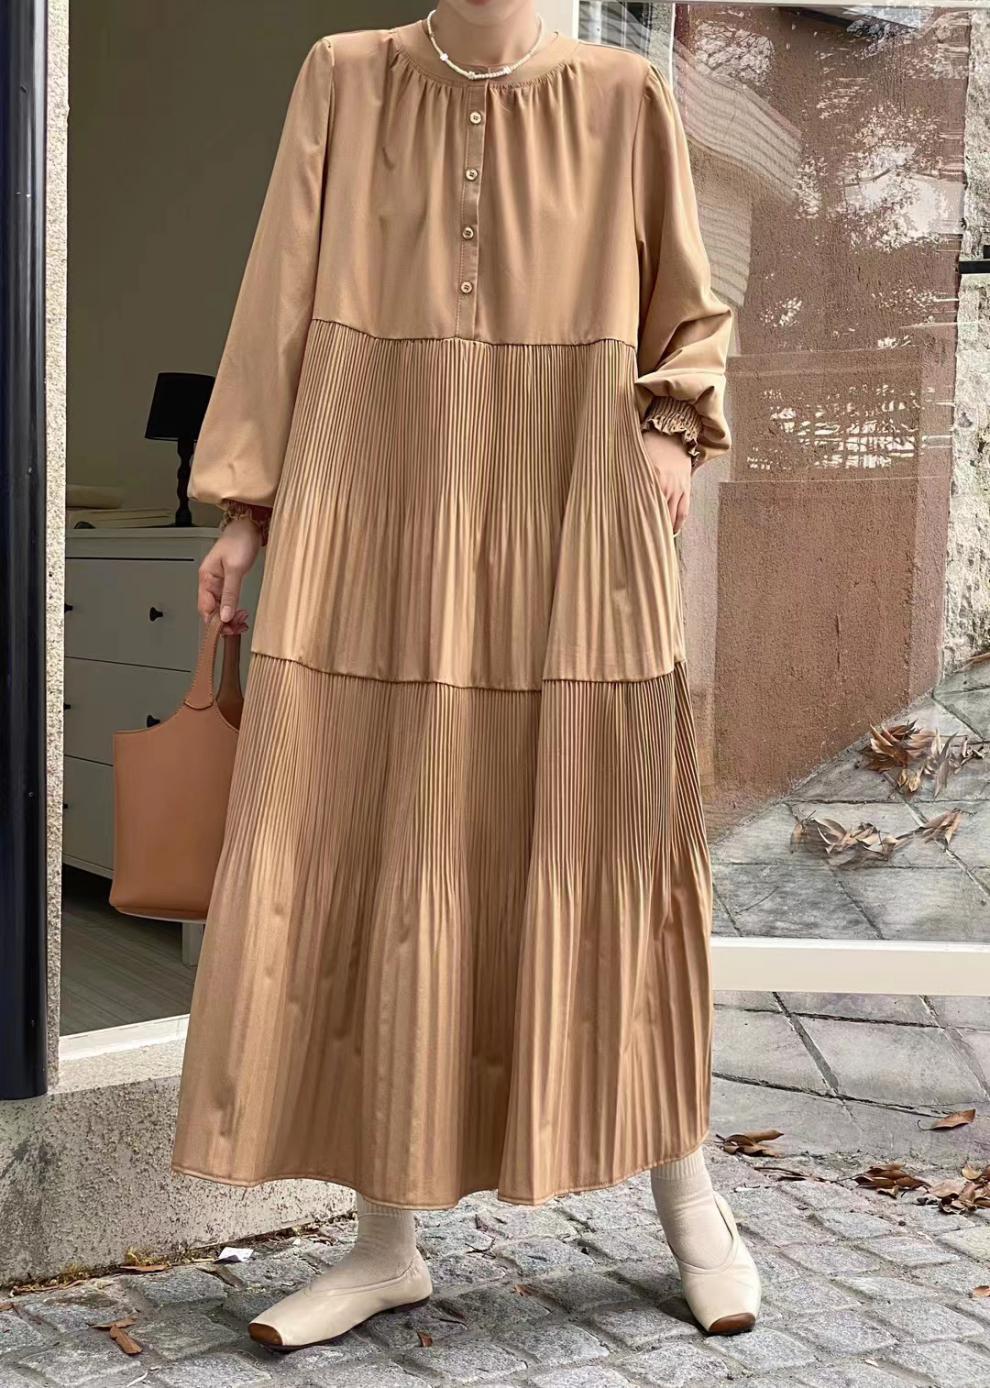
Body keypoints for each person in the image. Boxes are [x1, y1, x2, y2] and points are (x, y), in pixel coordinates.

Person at [171, 0, 761, 1348]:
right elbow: (277, 292)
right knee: (383, 840)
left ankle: (692, 1207)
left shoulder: (622, 92)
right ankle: (383, 1244)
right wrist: (247, 507)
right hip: (373, 501)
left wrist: (670, 429)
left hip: (570, 505)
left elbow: (687, 301)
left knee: (605, 844)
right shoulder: (345, 76)